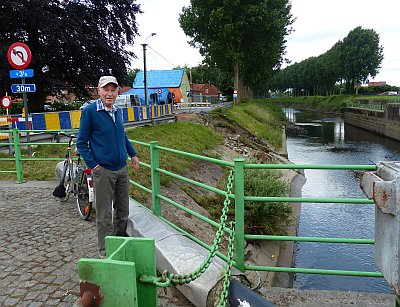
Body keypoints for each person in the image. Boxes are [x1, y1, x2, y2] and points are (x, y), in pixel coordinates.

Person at [77, 75, 140, 258]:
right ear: (99, 91)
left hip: (122, 168)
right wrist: (95, 166)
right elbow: (81, 143)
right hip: (103, 170)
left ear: (118, 91)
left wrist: (133, 154)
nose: (110, 94)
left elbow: (122, 136)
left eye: (113, 90)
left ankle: (118, 243)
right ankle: (105, 252)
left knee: (123, 212)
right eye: (106, 90)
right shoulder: (90, 112)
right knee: (104, 216)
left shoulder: (117, 111)